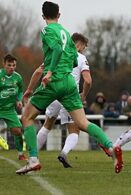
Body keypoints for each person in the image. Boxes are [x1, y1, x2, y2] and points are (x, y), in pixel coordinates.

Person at [16, 1, 123, 174]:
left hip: (54, 81)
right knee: (83, 122)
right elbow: (74, 60)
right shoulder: (66, 32)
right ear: (59, 15)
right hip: (70, 83)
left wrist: (50, 72)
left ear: (43, 16)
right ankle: (111, 148)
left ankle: (33, 160)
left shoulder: (47, 30)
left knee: (27, 117)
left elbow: (57, 48)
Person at [34, 32, 93, 168]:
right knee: (74, 129)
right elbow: (88, 81)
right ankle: (64, 153)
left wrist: (31, 90)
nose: (84, 49)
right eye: (83, 46)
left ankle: (32, 155)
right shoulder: (81, 57)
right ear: (78, 45)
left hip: (53, 92)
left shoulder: (57, 53)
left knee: (47, 125)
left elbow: (39, 71)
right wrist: (83, 95)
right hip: (69, 94)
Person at [0, 54, 26, 160]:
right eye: (9, 65)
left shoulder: (18, 77)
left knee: (17, 131)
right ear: (4, 64)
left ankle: (20, 154)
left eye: (14, 65)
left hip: (9, 109)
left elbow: (20, 90)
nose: (12, 67)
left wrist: (19, 99)